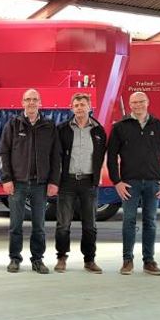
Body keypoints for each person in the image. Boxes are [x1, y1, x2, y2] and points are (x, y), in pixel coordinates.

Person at [107, 91, 160, 276]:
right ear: (130, 104)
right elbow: (111, 157)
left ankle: (149, 261)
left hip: (153, 183)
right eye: (134, 102)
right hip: (130, 183)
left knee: (150, 222)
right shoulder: (120, 127)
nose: (137, 105)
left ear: (148, 102)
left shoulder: (159, 126)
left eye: (141, 102)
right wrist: (117, 182)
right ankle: (127, 261)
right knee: (128, 221)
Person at [0, 88, 60, 274]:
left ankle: (38, 260)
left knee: (39, 226)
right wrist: (7, 178)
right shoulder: (13, 124)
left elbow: (55, 156)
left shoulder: (49, 126)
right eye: (28, 99)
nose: (31, 103)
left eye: (35, 99)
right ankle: (14, 259)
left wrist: (53, 181)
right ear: (22, 102)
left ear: (40, 103)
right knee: (15, 225)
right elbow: (3, 153)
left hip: (41, 185)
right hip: (18, 184)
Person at [54, 93, 107, 273]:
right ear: (71, 108)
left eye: (82, 105)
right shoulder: (62, 129)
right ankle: (61, 258)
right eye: (76, 105)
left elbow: (102, 156)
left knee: (90, 224)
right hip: (67, 182)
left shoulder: (99, 130)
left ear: (89, 107)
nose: (79, 108)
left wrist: (98, 177)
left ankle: (89, 260)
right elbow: (56, 156)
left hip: (88, 182)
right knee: (63, 224)